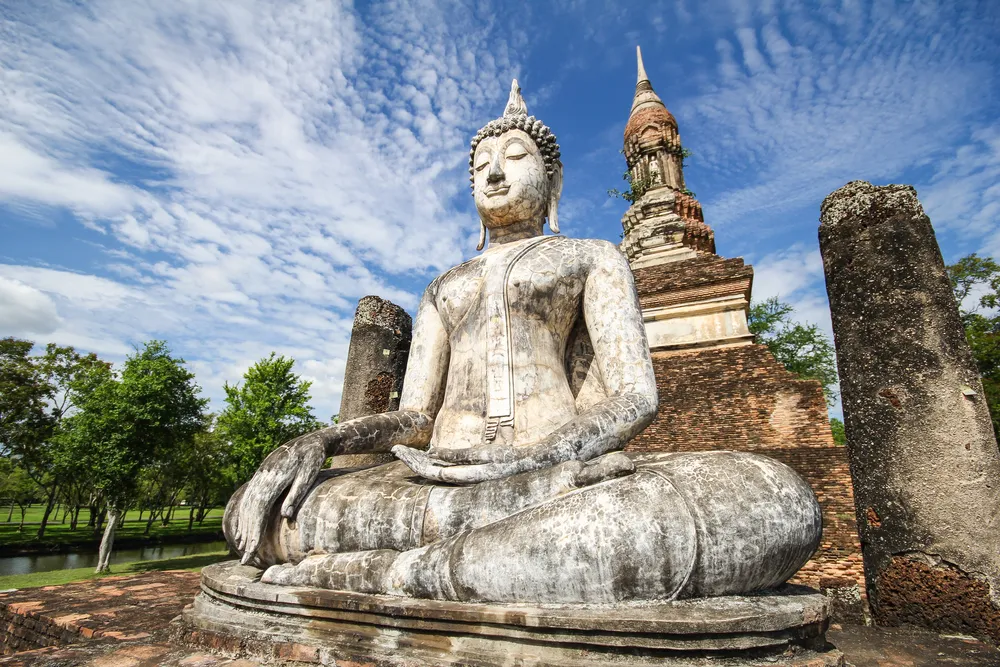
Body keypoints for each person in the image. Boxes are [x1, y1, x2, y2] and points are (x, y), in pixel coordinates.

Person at [224, 81, 821, 604]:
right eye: (481, 161)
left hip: (548, 482)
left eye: (514, 155)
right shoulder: (444, 286)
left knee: (773, 503)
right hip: (428, 485)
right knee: (254, 507)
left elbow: (637, 399)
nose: (495, 171)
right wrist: (321, 440)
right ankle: (463, 563)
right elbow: (413, 417)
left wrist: (534, 459)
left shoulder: (591, 259)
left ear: (552, 177)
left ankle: (384, 572)